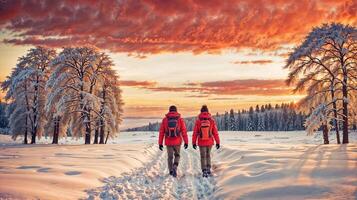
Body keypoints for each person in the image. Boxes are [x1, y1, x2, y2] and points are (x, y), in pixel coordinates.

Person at [159, 105, 188, 177]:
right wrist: (186, 142)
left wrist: (160, 143)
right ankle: (175, 166)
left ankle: (171, 171)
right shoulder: (180, 119)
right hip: (177, 141)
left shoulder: (165, 120)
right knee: (177, 155)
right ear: (176, 110)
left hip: (168, 141)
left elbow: (161, 132)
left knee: (170, 157)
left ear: (169, 111)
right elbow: (184, 131)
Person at [192, 105, 220, 177]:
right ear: (207, 111)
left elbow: (195, 133)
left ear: (201, 111)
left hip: (201, 142)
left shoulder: (198, 121)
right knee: (208, 155)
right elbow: (215, 132)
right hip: (210, 141)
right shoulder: (211, 120)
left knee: (203, 156)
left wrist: (194, 142)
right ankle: (208, 168)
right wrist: (217, 142)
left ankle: (204, 170)